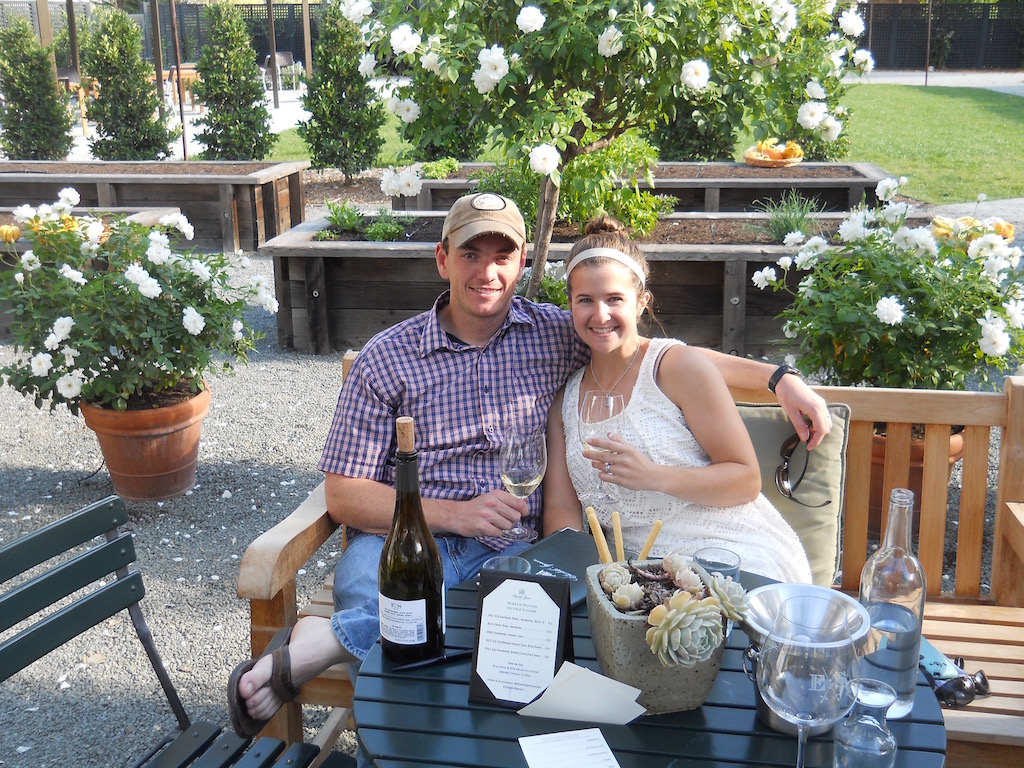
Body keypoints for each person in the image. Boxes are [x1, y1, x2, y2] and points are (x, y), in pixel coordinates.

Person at [228, 192, 827, 736]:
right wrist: (455, 515)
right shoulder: (387, 359)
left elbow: (650, 352)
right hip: (407, 535)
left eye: (503, 256)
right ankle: (395, 741)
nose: (486, 272)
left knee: (503, 633)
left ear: (522, 267)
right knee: (380, 593)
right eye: (471, 254)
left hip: (513, 546)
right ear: (442, 259)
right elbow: (343, 495)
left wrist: (779, 377)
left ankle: (322, 643)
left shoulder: (557, 331)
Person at [543, 216, 813, 582]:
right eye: (585, 300)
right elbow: (562, 511)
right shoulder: (565, 402)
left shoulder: (674, 367)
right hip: (636, 574)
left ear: (641, 303)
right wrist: (579, 582)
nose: (600, 314)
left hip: (728, 549)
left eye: (614, 299)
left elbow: (746, 480)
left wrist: (654, 476)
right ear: (570, 305)